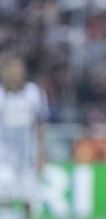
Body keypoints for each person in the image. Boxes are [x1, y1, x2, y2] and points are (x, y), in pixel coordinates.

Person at [0, 55, 49, 218]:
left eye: (18, 70)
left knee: (28, 199)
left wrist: (42, 154)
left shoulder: (34, 93)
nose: (15, 75)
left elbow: (41, 125)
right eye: (11, 70)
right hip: (3, 158)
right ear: (4, 73)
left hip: (28, 158)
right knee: (4, 197)